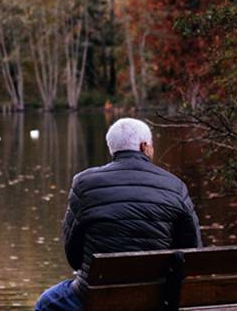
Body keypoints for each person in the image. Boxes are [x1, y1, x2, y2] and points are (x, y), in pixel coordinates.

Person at [35, 117, 203, 311]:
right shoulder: (176, 187)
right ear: (144, 146)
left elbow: (74, 256)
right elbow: (192, 251)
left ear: (112, 148)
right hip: (155, 299)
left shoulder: (84, 184)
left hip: (95, 296)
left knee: (47, 303)